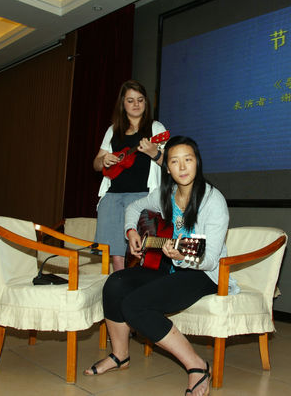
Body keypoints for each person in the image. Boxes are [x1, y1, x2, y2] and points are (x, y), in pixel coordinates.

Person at [84, 136, 236, 396]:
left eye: (188, 160)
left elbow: (210, 258)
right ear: (167, 168)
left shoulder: (213, 201)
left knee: (135, 305)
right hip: (171, 268)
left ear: (197, 163)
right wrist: (131, 231)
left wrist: (180, 254)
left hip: (204, 275)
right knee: (115, 283)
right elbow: (134, 207)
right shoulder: (166, 194)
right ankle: (120, 355)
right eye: (175, 161)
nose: (182, 167)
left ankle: (197, 366)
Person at [93, 80, 166, 271]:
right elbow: (96, 164)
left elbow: (169, 164)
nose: (136, 104)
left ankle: (138, 286)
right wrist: (104, 160)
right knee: (115, 253)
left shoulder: (156, 128)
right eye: (130, 100)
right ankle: (118, 284)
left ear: (146, 102)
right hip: (112, 196)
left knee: (141, 251)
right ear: (122, 103)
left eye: (140, 100)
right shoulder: (113, 130)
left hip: (142, 196)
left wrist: (154, 153)